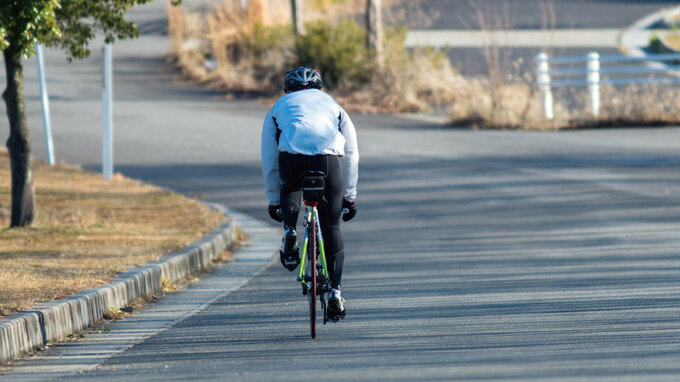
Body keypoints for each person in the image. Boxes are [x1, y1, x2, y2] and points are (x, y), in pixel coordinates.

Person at [261, 66, 359, 320]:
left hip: (291, 159)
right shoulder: (333, 105)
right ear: (318, 86)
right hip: (328, 159)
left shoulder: (278, 107)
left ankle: (290, 231)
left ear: (288, 88)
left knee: (290, 187)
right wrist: (349, 195)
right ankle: (336, 291)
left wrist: (274, 202)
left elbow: (269, 159)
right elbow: (351, 153)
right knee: (332, 227)